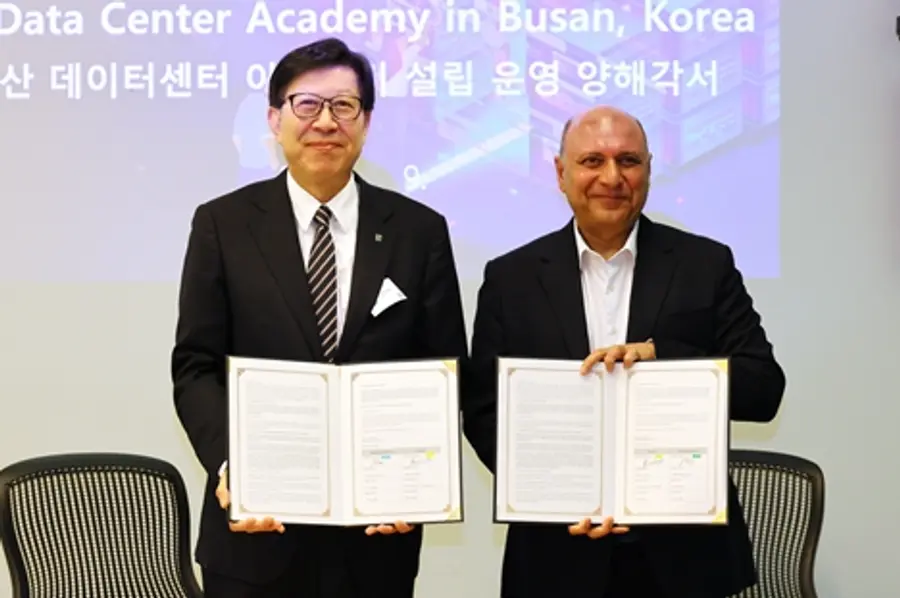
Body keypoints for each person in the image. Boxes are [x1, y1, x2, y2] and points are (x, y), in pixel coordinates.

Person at [171, 37, 467, 598]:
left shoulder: (418, 231)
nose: (325, 122)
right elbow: (196, 366)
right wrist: (233, 466)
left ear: (366, 122)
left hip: (375, 539)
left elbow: (443, 370)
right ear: (274, 119)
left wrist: (415, 479)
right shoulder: (223, 225)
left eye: (344, 106)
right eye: (306, 104)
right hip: (255, 539)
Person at [461, 106, 785, 598]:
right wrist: (551, 495)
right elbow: (485, 411)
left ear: (648, 169)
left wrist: (663, 359)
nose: (611, 178)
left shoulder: (705, 264)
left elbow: (763, 390)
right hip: (556, 552)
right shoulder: (511, 278)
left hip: (684, 558)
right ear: (561, 173)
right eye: (592, 161)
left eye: (628, 161)